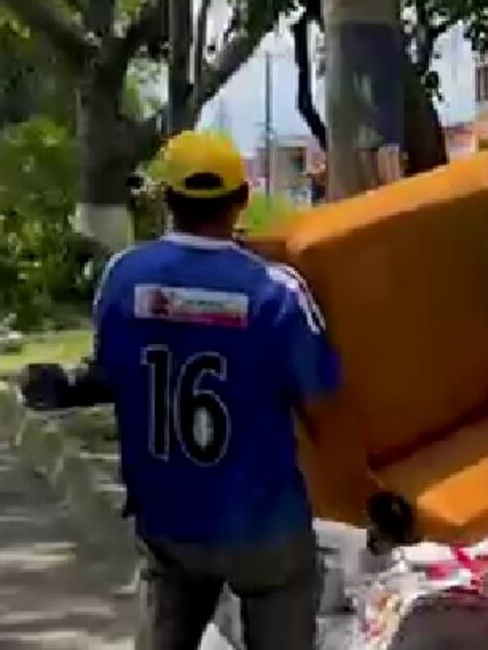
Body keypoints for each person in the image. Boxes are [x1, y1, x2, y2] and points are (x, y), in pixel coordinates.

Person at [91, 131, 380, 650]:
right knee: (285, 602)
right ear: (242, 200)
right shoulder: (275, 292)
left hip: (168, 522)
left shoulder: (121, 278)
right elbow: (325, 409)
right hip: (263, 527)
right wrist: (364, 494)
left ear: (166, 200)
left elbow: (112, 372)